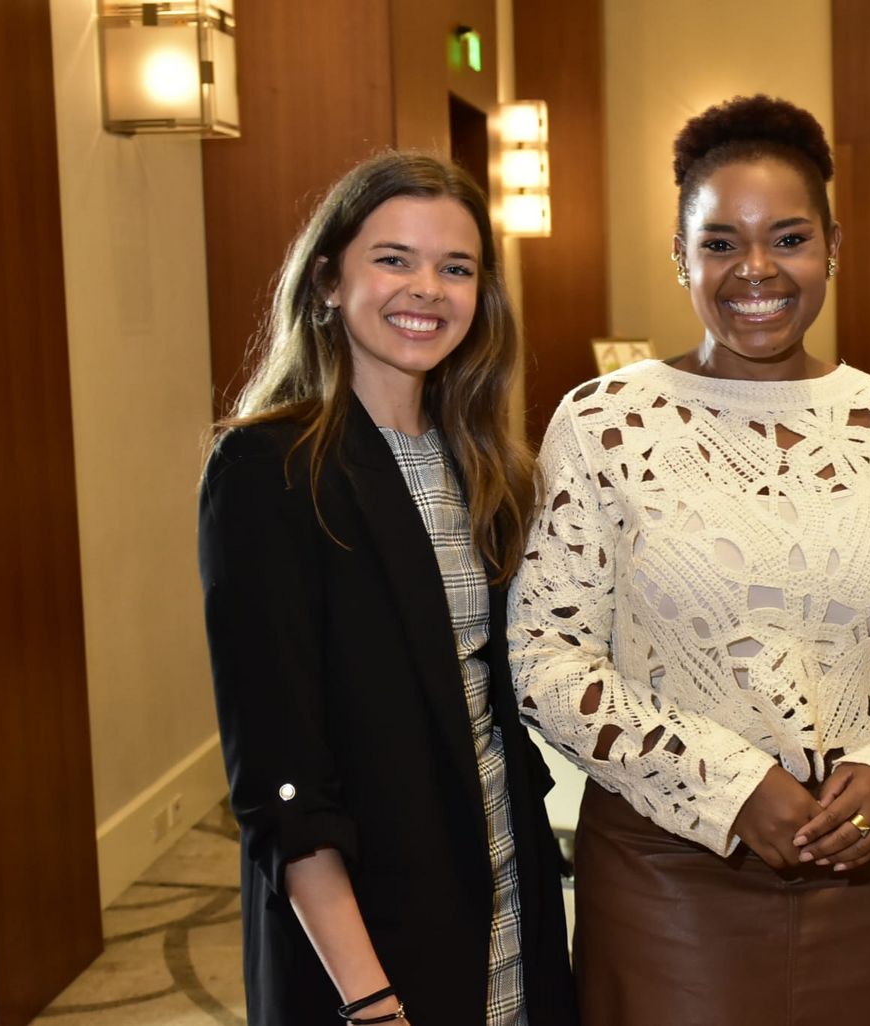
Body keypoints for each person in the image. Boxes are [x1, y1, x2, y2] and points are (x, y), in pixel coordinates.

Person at [507, 94, 870, 1026]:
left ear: (832, 247)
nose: (756, 269)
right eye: (720, 242)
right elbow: (545, 657)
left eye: (788, 238)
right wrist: (727, 782)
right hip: (670, 875)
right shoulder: (604, 422)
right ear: (680, 256)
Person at [197, 152, 577, 1026]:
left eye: (456, 268)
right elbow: (281, 777)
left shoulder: (488, 465)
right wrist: (368, 999)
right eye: (394, 259)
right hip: (366, 924)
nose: (427, 290)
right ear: (328, 281)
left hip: (503, 874)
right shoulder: (267, 469)